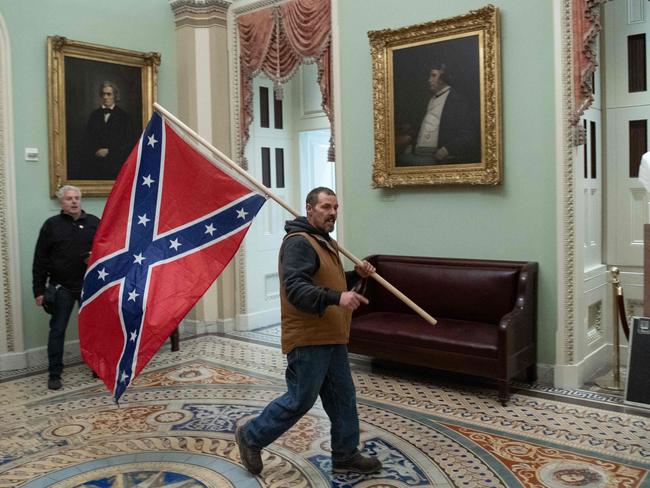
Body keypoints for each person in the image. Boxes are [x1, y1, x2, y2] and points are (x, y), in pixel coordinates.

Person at [235, 187, 383, 476]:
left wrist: (355, 276)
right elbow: (297, 289)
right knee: (300, 399)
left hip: (332, 335)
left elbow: (326, 282)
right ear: (310, 208)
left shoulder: (323, 241)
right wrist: (337, 298)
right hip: (309, 337)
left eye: (335, 207)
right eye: (326, 207)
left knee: (343, 397)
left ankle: (345, 454)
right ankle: (251, 436)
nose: (332, 213)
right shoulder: (299, 243)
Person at [32, 185, 100, 390]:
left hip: (89, 286)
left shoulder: (93, 222)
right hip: (62, 287)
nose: (74, 202)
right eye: (69, 198)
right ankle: (54, 374)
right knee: (57, 330)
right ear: (61, 202)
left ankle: (97, 367)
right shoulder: (51, 225)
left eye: (77, 198)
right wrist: (39, 290)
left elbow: (106, 250)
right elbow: (40, 259)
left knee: (93, 329)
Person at [396, 62, 480, 166]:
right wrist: (411, 145)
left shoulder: (458, 101)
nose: (429, 80)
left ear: (444, 77)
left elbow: (468, 135)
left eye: (434, 75)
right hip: (417, 154)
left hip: (436, 158)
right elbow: (423, 126)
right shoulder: (430, 99)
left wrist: (445, 151)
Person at [81, 81, 134, 180]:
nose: (105, 97)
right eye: (103, 94)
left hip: (115, 164)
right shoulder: (94, 115)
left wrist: (110, 151)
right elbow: (86, 139)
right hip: (95, 164)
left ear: (115, 96)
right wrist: (95, 151)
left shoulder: (124, 116)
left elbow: (128, 142)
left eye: (108, 94)